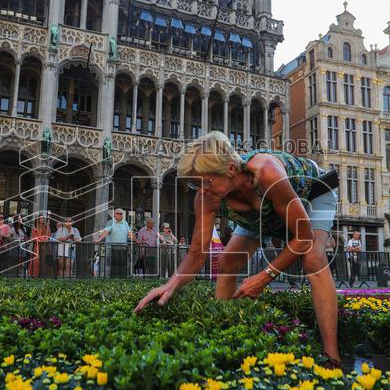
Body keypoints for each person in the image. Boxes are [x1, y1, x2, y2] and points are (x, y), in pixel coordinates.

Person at [134, 132, 341, 366]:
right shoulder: (207, 196)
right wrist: (169, 285)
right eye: (195, 183)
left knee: (313, 258)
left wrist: (264, 277)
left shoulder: (267, 172)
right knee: (227, 261)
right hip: (263, 213)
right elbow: (197, 254)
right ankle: (224, 335)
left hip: (314, 193)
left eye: (207, 181)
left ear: (231, 169)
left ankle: (332, 357)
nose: (201, 190)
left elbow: (303, 237)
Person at [94, 208, 136, 277]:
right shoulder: (110, 222)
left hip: (122, 249)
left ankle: (121, 278)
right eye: (117, 213)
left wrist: (137, 241)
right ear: (114, 214)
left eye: (121, 214)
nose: (119, 215)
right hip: (110, 249)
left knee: (121, 265)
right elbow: (105, 232)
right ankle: (107, 279)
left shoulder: (125, 223)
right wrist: (99, 239)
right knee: (109, 265)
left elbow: (130, 234)